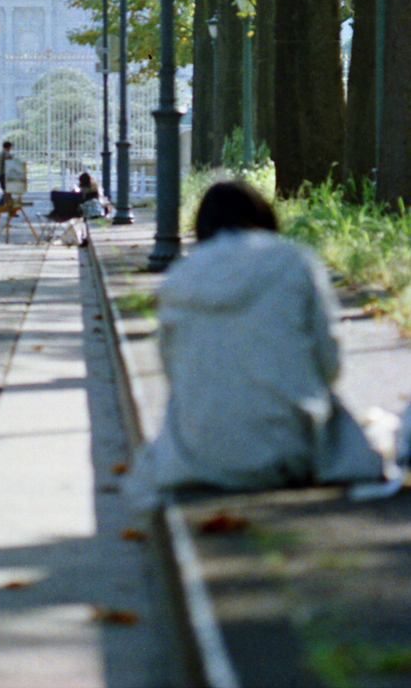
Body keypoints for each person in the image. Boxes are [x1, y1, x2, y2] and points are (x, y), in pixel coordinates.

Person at [126, 180, 385, 510]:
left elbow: (172, 369)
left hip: (199, 457)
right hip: (288, 453)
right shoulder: (296, 261)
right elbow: (328, 363)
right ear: (263, 217)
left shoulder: (179, 277)